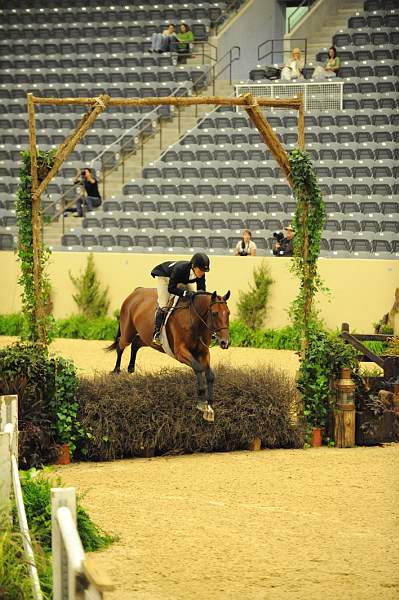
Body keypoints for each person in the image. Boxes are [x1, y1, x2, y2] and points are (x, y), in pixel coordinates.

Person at [150, 252, 210, 344]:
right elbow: (171, 288)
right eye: (201, 270)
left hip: (181, 280)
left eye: (204, 271)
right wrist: (185, 293)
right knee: (163, 304)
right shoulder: (180, 269)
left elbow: (201, 291)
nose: (202, 273)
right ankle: (157, 333)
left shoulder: (200, 273)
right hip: (166, 279)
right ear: (193, 266)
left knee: (194, 298)